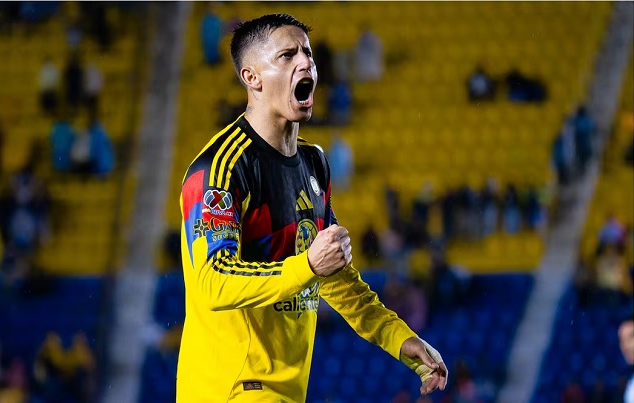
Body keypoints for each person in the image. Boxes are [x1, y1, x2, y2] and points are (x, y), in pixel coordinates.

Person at [176, 14, 447, 402]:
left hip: (284, 392)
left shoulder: (315, 163)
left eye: (307, 53)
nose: (305, 62)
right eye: (287, 55)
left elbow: (334, 276)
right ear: (252, 77)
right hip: (231, 390)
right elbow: (213, 282)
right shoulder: (221, 168)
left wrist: (399, 338)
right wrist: (307, 265)